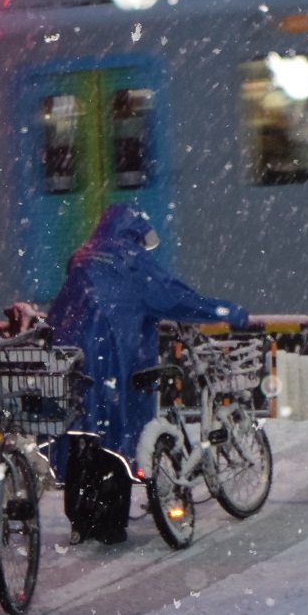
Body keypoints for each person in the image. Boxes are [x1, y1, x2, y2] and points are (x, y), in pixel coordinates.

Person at [46, 204, 247, 543]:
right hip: (114, 355)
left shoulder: (83, 257)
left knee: (83, 433)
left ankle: (82, 519)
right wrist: (226, 310)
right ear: (134, 232)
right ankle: (109, 523)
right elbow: (171, 296)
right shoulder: (128, 258)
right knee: (115, 432)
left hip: (69, 359)